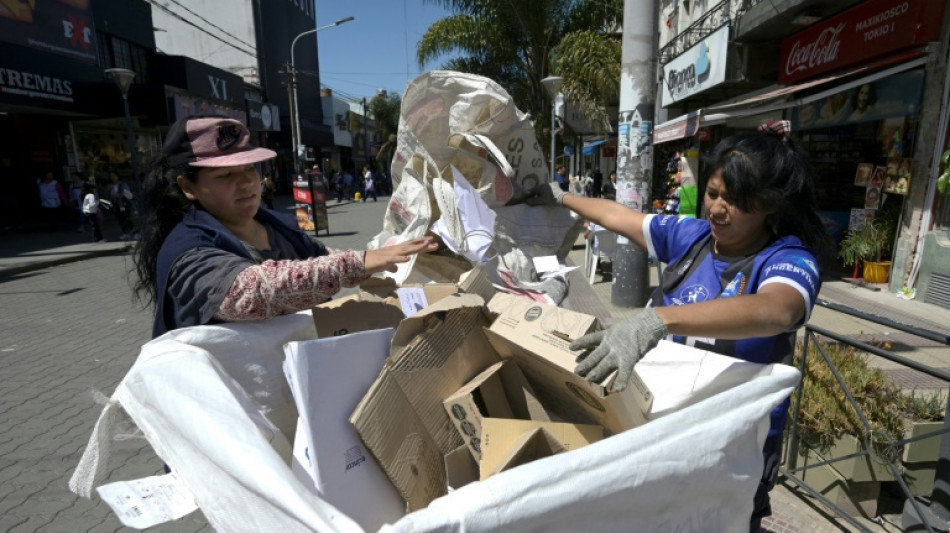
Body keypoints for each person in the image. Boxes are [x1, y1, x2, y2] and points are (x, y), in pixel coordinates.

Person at [528, 120, 828, 531]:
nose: (718, 208)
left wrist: (658, 319)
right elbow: (620, 217)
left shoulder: (787, 258)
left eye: (737, 201)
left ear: (770, 206)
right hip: (667, 429)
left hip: (736, 443)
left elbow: (779, 310)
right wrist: (561, 197)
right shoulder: (691, 237)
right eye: (713, 193)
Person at [132, 115, 438, 338]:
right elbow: (251, 292)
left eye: (249, 168)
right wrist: (357, 264)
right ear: (188, 187)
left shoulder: (275, 223)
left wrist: (381, 257)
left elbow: (316, 258)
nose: (246, 182)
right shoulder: (187, 249)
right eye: (225, 175)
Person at [108, 172, 135, 239]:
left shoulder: (122, 184)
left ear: (118, 176)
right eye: (111, 176)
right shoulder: (110, 186)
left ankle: (132, 232)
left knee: (126, 218)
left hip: (123, 204)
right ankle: (125, 232)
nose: (113, 177)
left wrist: (118, 195)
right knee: (120, 219)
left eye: (114, 176)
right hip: (116, 204)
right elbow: (109, 195)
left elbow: (128, 194)